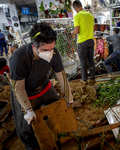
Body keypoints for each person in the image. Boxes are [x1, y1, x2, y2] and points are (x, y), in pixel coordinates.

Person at [9, 22, 76, 150]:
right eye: (45, 50)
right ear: (34, 46)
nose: (50, 53)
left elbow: (61, 75)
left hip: (44, 85)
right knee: (28, 127)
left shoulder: (54, 53)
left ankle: (57, 139)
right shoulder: (19, 58)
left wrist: (69, 96)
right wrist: (28, 110)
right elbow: (18, 88)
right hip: (23, 92)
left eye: (52, 49)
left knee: (57, 111)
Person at [71, 0, 96, 85]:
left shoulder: (77, 16)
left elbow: (77, 31)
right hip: (91, 40)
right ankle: (92, 78)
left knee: (83, 61)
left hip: (82, 42)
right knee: (91, 60)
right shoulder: (90, 15)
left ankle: (84, 79)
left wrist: (72, 32)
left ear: (75, 8)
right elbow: (93, 29)